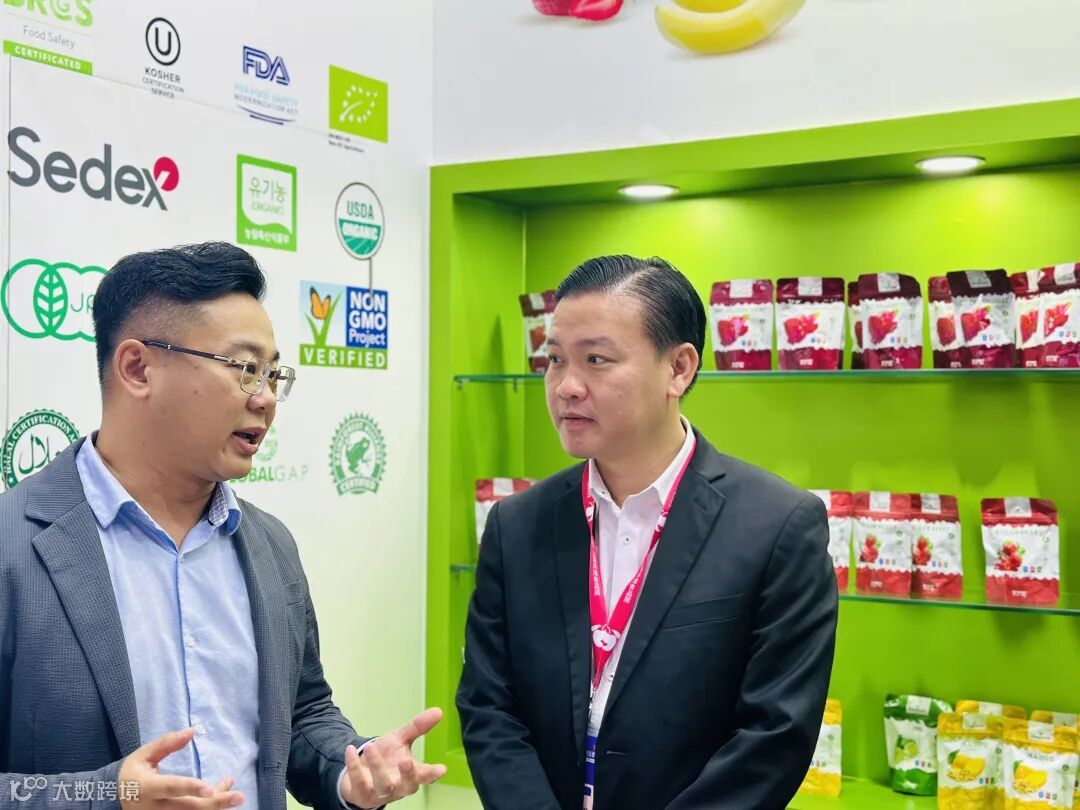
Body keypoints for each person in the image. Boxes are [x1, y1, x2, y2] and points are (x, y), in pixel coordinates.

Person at [0, 243, 445, 810]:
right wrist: (110, 794)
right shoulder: (14, 545)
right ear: (137, 368)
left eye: (272, 374)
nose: (266, 399)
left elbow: (303, 713)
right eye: (245, 370)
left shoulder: (269, 544)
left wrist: (349, 769)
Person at [458, 255, 838, 810]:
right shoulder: (517, 524)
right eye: (555, 359)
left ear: (678, 368)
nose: (566, 386)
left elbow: (773, 738)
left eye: (596, 359)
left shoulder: (778, 525)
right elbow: (490, 707)